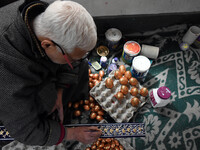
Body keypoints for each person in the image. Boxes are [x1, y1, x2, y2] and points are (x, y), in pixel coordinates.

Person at [0, 0, 102, 147]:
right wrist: (72, 134)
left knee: (79, 67)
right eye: (70, 58)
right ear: (47, 44)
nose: (72, 62)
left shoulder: (47, 15)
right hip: (6, 98)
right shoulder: (8, 68)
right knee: (40, 113)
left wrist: (59, 92)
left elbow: (73, 63)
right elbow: (25, 130)